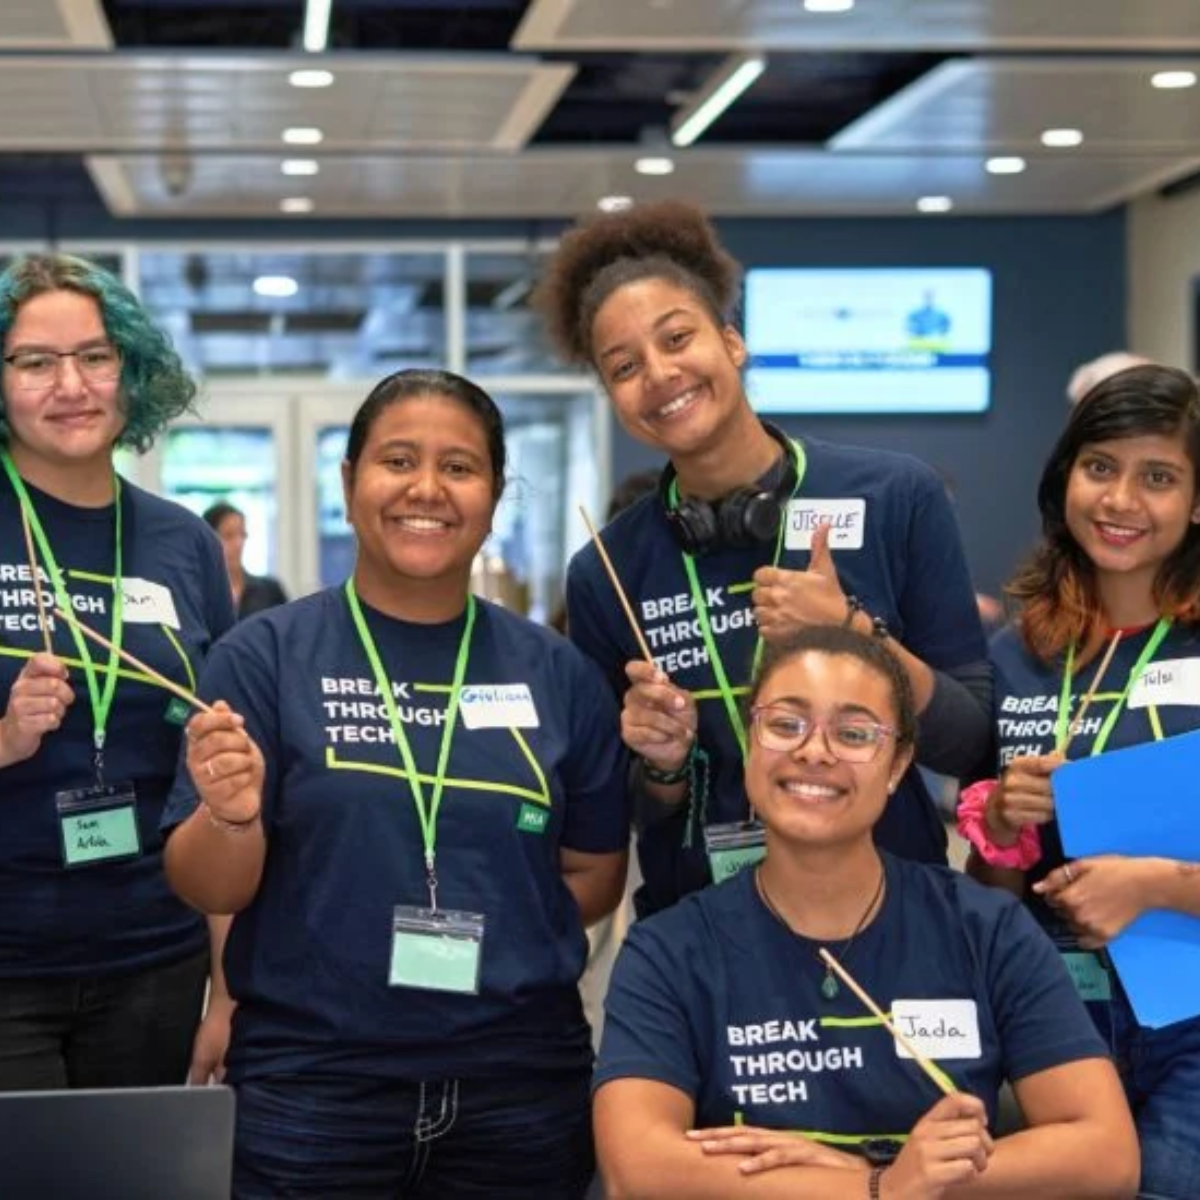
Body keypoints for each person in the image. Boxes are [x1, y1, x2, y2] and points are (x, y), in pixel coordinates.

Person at [161, 368, 631, 1198]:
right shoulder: (263, 658)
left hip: (516, 1087)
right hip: (316, 1089)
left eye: (459, 467)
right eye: (398, 461)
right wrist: (232, 819)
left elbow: (594, 875)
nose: (427, 489)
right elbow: (207, 884)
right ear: (349, 485)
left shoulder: (556, 673)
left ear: (493, 495)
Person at [535, 199, 991, 916]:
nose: (658, 373)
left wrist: (853, 633)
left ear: (732, 342)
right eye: (623, 366)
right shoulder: (607, 572)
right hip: (704, 932)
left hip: (894, 913)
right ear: (614, 398)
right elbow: (628, 815)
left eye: (677, 337)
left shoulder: (895, 495)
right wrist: (661, 765)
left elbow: (968, 742)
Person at [594, 625, 1138, 1198]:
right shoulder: (670, 948)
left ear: (900, 764)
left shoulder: (984, 929)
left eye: (854, 733)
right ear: (752, 741)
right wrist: (881, 1187)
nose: (814, 751)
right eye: (785, 724)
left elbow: (1106, 1155)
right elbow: (638, 1169)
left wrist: (882, 1179)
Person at [0, 253, 236, 1090]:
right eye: (34, 361)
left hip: (154, 957)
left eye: (95, 357)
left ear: (130, 373)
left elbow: (215, 779)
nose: (71, 385)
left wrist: (226, 984)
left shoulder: (185, 545)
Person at [965, 363, 1200, 1199]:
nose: (1121, 500)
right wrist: (1001, 824)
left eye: (1159, 477)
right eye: (1099, 467)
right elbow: (991, 881)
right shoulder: (1015, 655)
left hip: (1192, 1023)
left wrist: (1156, 885)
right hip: (1052, 1022)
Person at [202, 500, 288, 619]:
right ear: (208, 541)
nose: (239, 543)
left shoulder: (270, 590)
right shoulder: (198, 594)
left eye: (243, 535)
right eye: (228, 535)